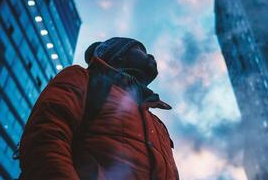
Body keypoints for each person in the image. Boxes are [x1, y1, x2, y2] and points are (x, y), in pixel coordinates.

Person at [19, 37, 179, 180]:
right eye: (140, 50)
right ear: (119, 55)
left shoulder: (157, 123)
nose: (150, 56)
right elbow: (45, 137)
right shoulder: (83, 79)